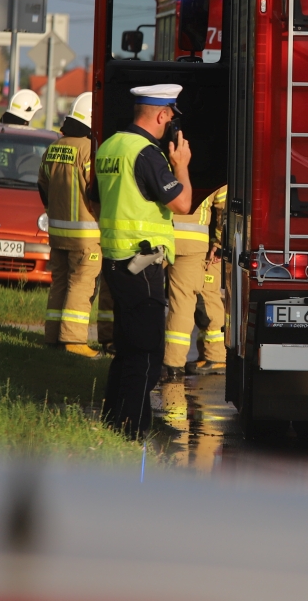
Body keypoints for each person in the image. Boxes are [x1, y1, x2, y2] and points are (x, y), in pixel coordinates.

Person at [91, 84, 192, 438]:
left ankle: (111, 422)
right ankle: (131, 432)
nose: (170, 125)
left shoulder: (110, 146)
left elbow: (94, 200)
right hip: (142, 263)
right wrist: (181, 166)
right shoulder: (146, 153)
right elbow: (182, 203)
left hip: (116, 260)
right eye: (170, 117)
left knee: (126, 348)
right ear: (162, 114)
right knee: (146, 354)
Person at [37, 92, 103, 358]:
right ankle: (74, 341)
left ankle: (52, 336)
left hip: (57, 231)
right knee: (82, 283)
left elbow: (42, 185)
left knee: (60, 283)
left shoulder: (55, 146)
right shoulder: (90, 149)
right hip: (86, 235)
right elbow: (96, 192)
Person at [165, 183, 227, 380]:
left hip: (156, 236)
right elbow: (224, 212)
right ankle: (174, 362)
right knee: (189, 301)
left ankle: (139, 354)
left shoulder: (159, 158)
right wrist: (219, 243)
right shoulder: (213, 167)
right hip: (196, 244)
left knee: (143, 295)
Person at [189, 184, 228, 375]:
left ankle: (216, 356)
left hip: (209, 250)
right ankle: (206, 354)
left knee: (207, 299)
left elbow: (225, 211)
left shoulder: (215, 173)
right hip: (201, 245)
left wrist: (219, 244)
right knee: (200, 301)